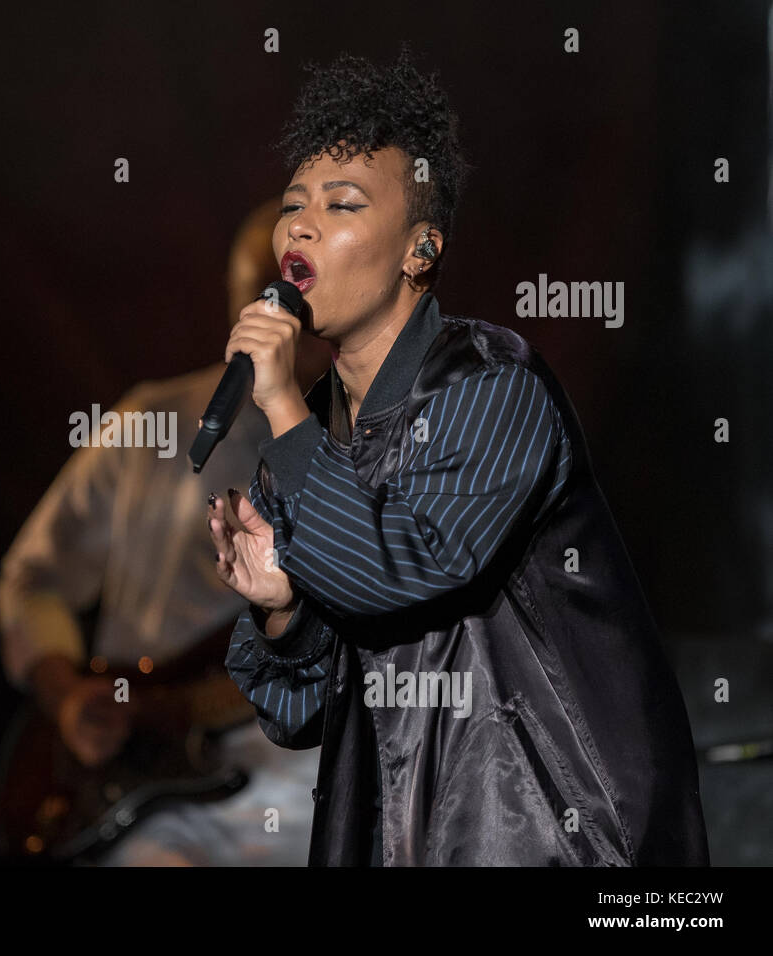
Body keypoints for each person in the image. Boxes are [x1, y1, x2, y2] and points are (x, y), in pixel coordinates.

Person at [207, 46, 709, 866]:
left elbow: (409, 566)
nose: (298, 224)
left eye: (340, 205)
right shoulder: (309, 440)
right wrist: (281, 608)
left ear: (419, 251)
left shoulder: (493, 388)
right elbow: (298, 715)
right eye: (294, 205)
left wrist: (281, 409)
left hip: (550, 831)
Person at [0, 199, 332, 866]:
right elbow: (33, 579)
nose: (287, 319)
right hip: (147, 801)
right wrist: (67, 701)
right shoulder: (150, 420)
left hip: (309, 813)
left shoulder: (401, 459)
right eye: (269, 295)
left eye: (306, 294)